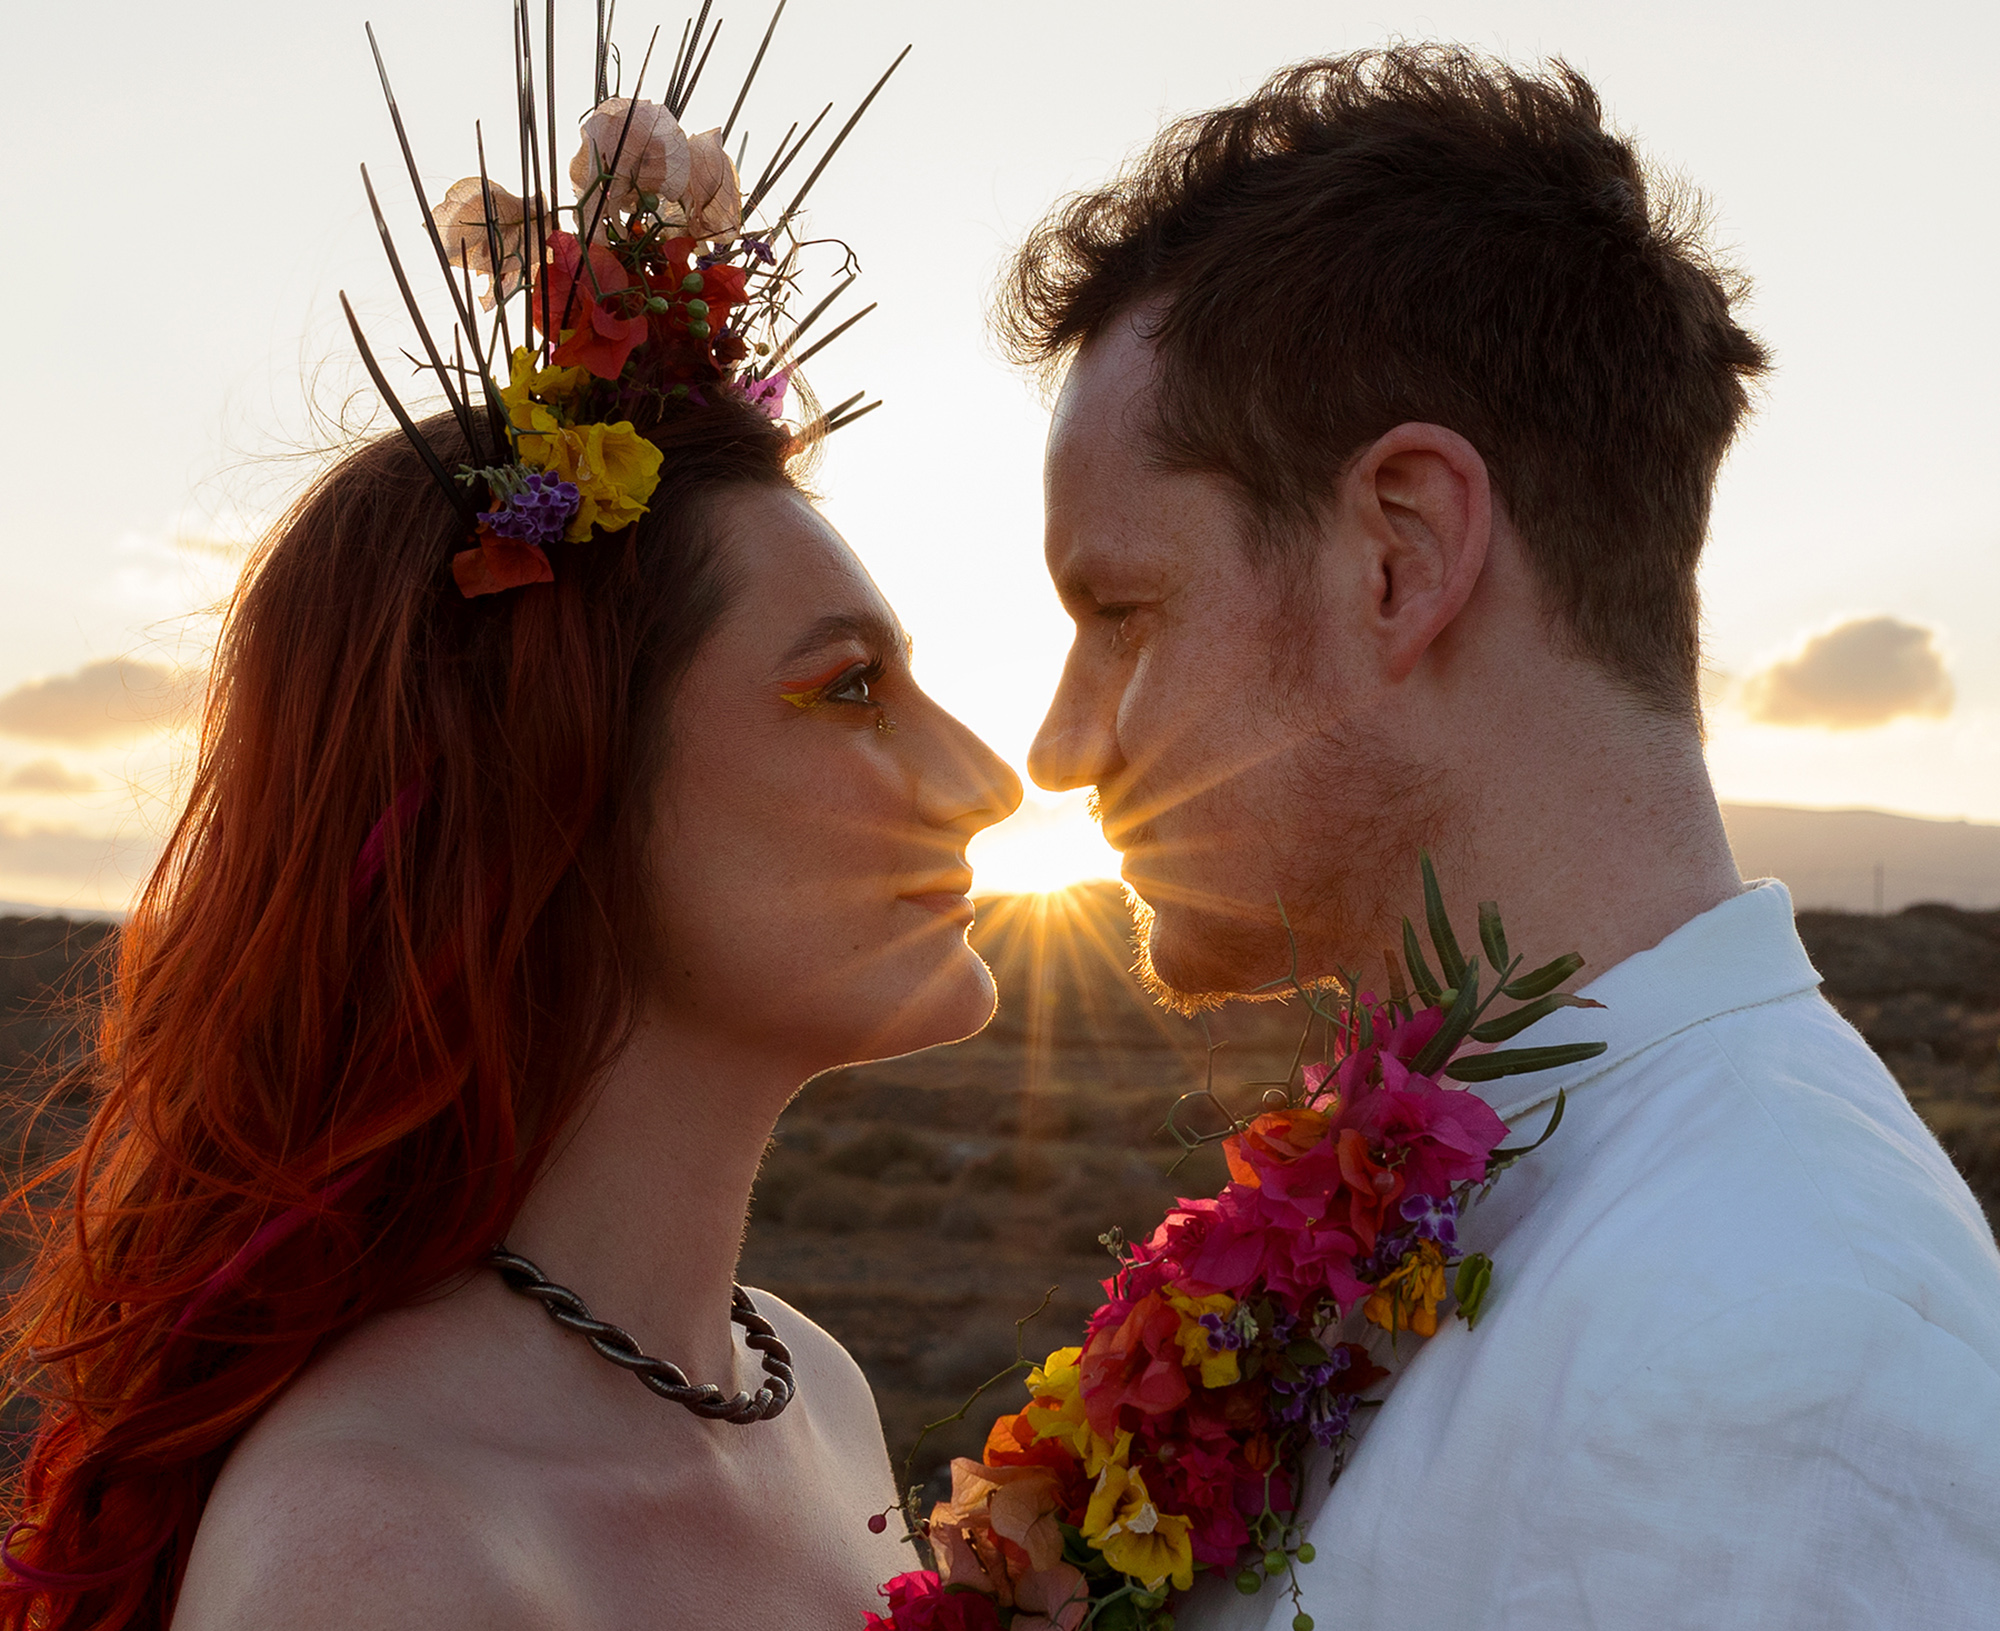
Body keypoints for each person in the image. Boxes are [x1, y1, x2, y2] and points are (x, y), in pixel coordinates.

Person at [0, 23, 1019, 1625]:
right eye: (844, 692)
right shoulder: (381, 1552)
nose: (987, 782)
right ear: (555, 777)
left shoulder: (808, 1390)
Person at [1001, 45, 2000, 1629]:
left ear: (1401, 555)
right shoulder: (1480, 1201)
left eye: (1123, 614)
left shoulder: (1779, 1351)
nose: (1057, 749)